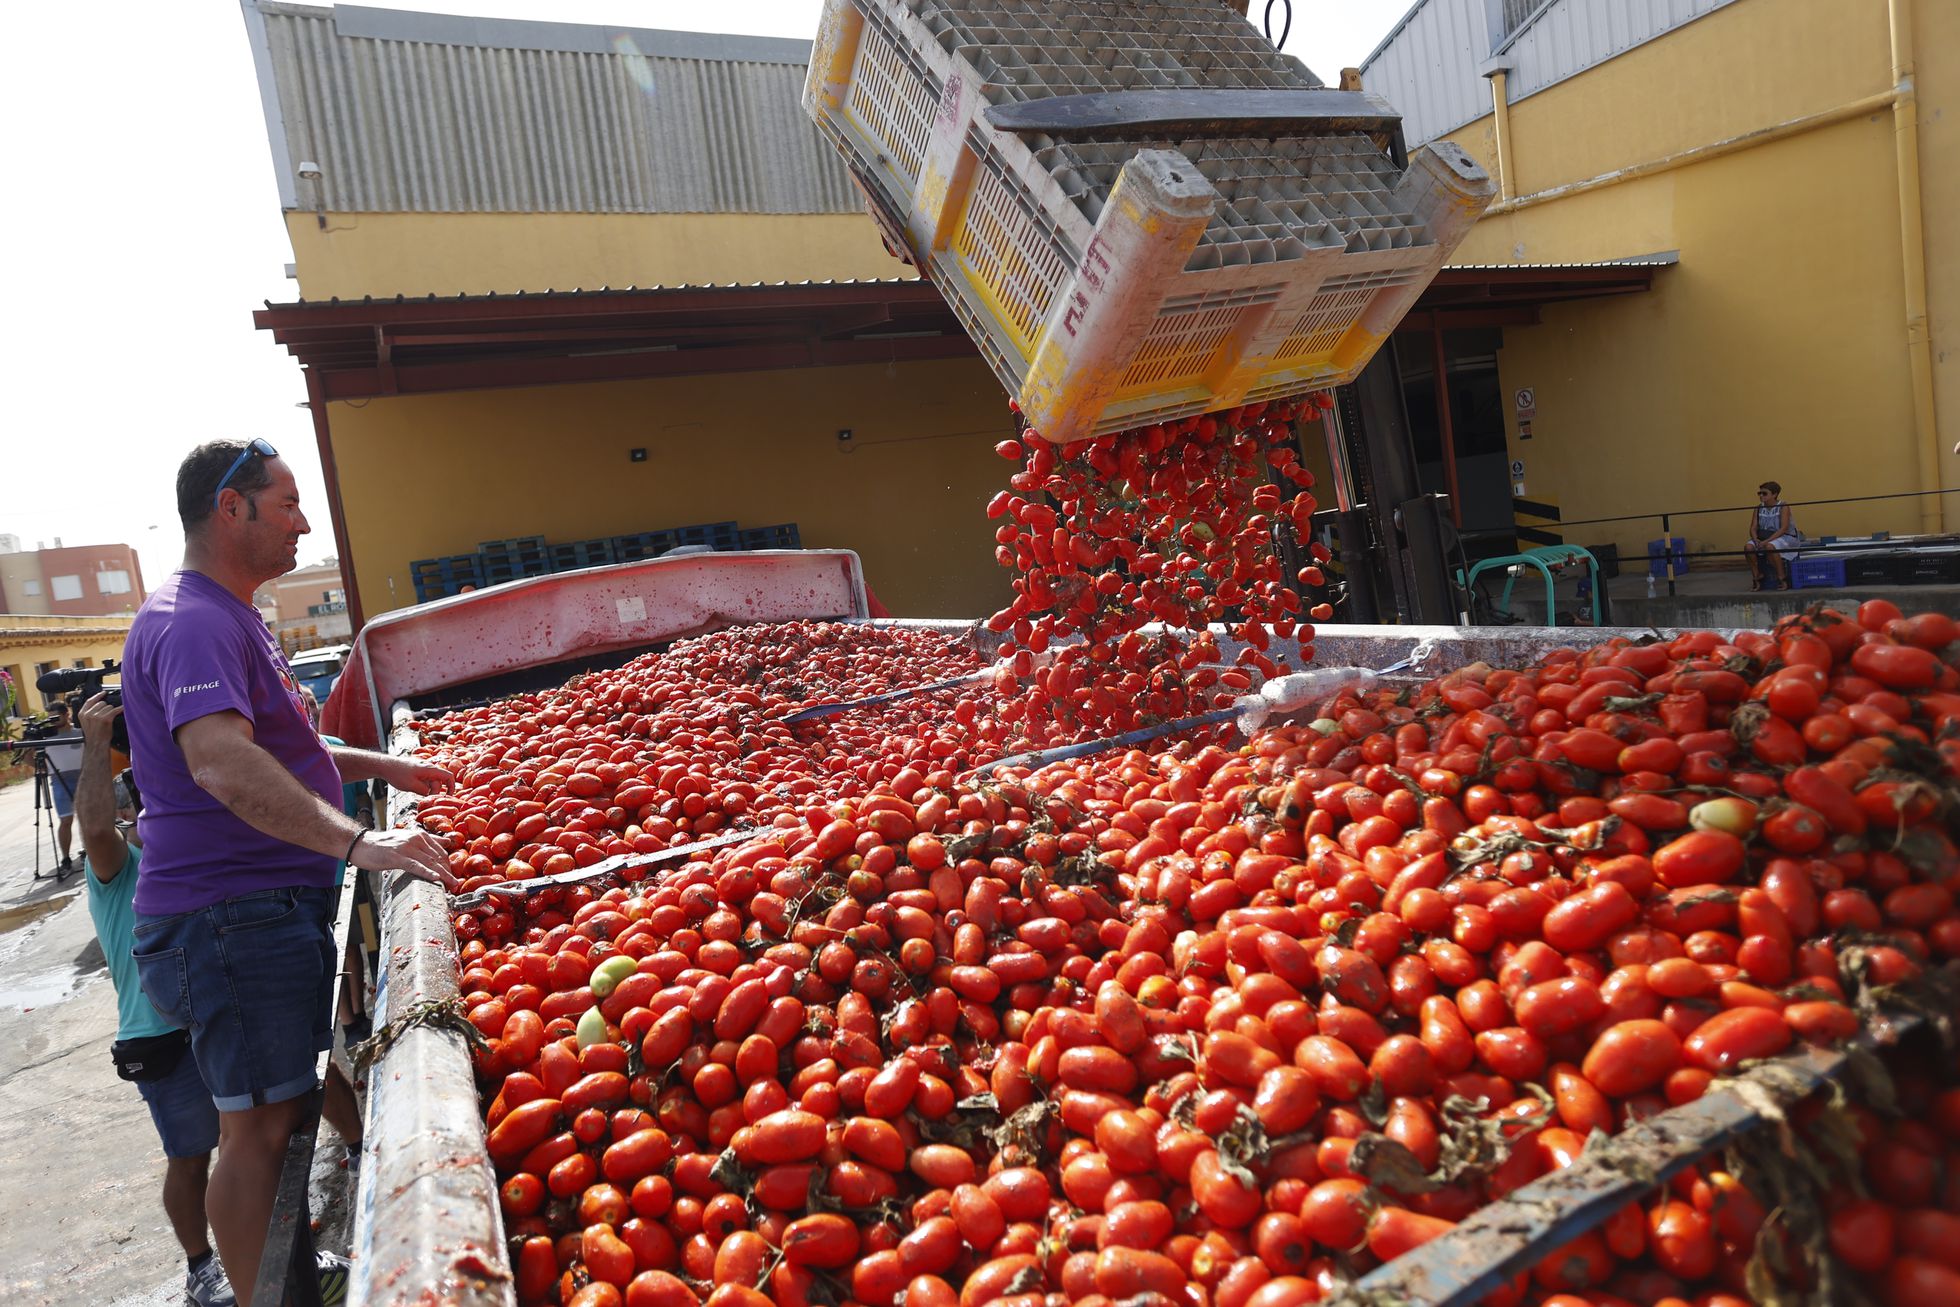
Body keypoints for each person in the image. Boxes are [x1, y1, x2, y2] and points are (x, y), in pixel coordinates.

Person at [123, 439, 461, 1307]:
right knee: (257, 1131)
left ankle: (288, 1283)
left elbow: (292, 750)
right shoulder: (190, 621)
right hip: (227, 915)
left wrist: (387, 771)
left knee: (284, 1112)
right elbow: (224, 767)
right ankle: (264, 1296)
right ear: (229, 508)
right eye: (286, 505)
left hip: (256, 909)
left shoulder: (233, 616)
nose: (303, 523)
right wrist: (361, 843)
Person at [75, 694, 237, 1307]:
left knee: (253, 1139)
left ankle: (262, 1240)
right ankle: (201, 1268)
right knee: (191, 1156)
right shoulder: (121, 864)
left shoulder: (200, 852)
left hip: (218, 1014)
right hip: (159, 1037)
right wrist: (95, 744)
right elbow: (93, 828)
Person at [41, 699, 84, 870]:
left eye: (55, 717)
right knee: (65, 820)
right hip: (59, 780)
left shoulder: (80, 732)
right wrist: (45, 768)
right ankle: (65, 858)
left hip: (83, 777)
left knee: (86, 818)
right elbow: (29, 757)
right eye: (49, 718)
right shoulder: (45, 737)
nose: (52, 721)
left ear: (67, 714)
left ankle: (88, 850)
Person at [1744, 480, 1800, 591]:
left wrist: (1765, 542)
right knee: (1748, 547)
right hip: (1764, 537)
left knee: (1770, 547)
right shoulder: (1758, 508)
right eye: (1759, 493)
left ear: (1774, 494)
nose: (1761, 496)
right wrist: (1755, 540)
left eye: (1764, 493)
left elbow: (1783, 528)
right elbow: (1753, 527)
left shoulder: (1783, 506)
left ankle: (1781, 576)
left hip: (1784, 536)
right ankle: (1757, 575)